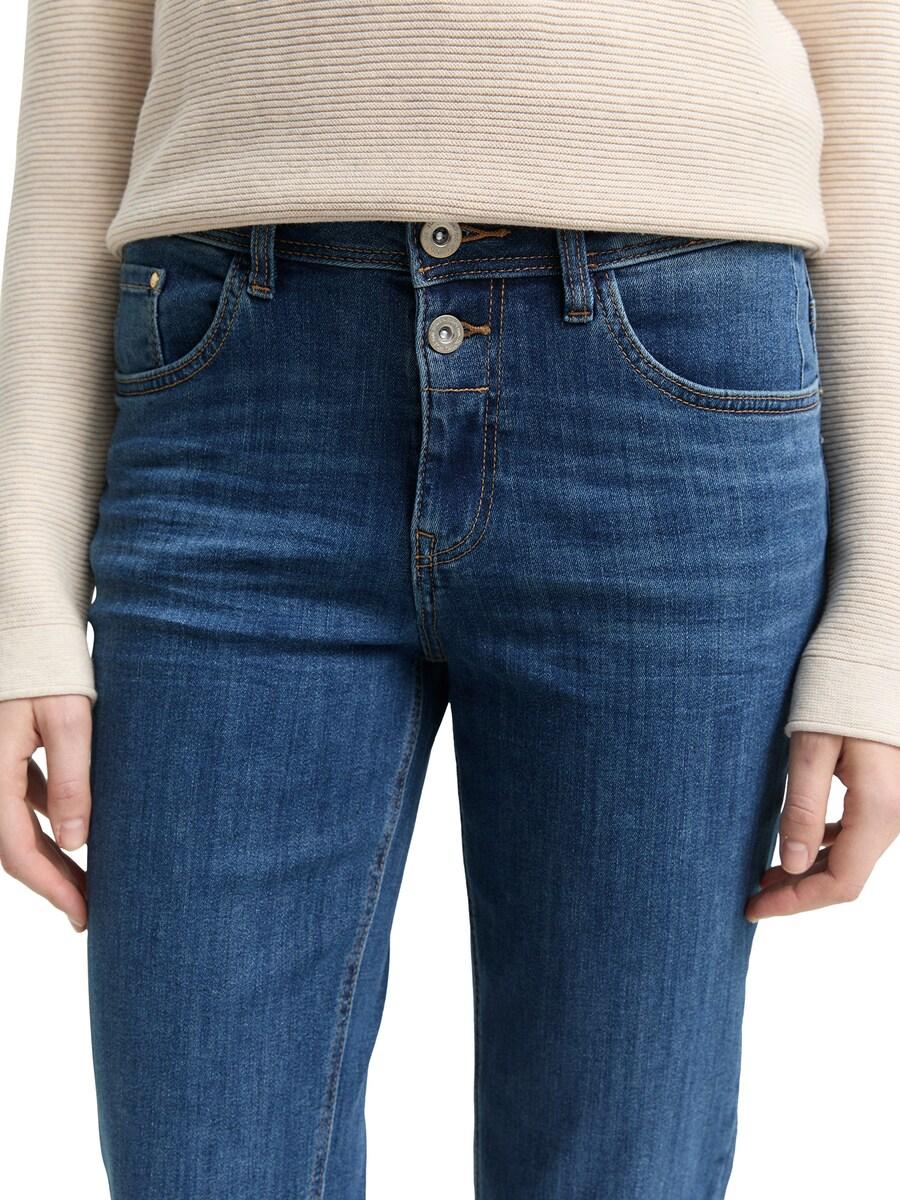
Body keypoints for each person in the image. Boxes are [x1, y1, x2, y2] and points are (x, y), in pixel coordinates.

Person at [1, 2, 898, 1198]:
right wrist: (21, 599)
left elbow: (871, 75)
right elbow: (83, 86)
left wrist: (883, 619)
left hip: (671, 389)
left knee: (620, 1164)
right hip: (234, 385)